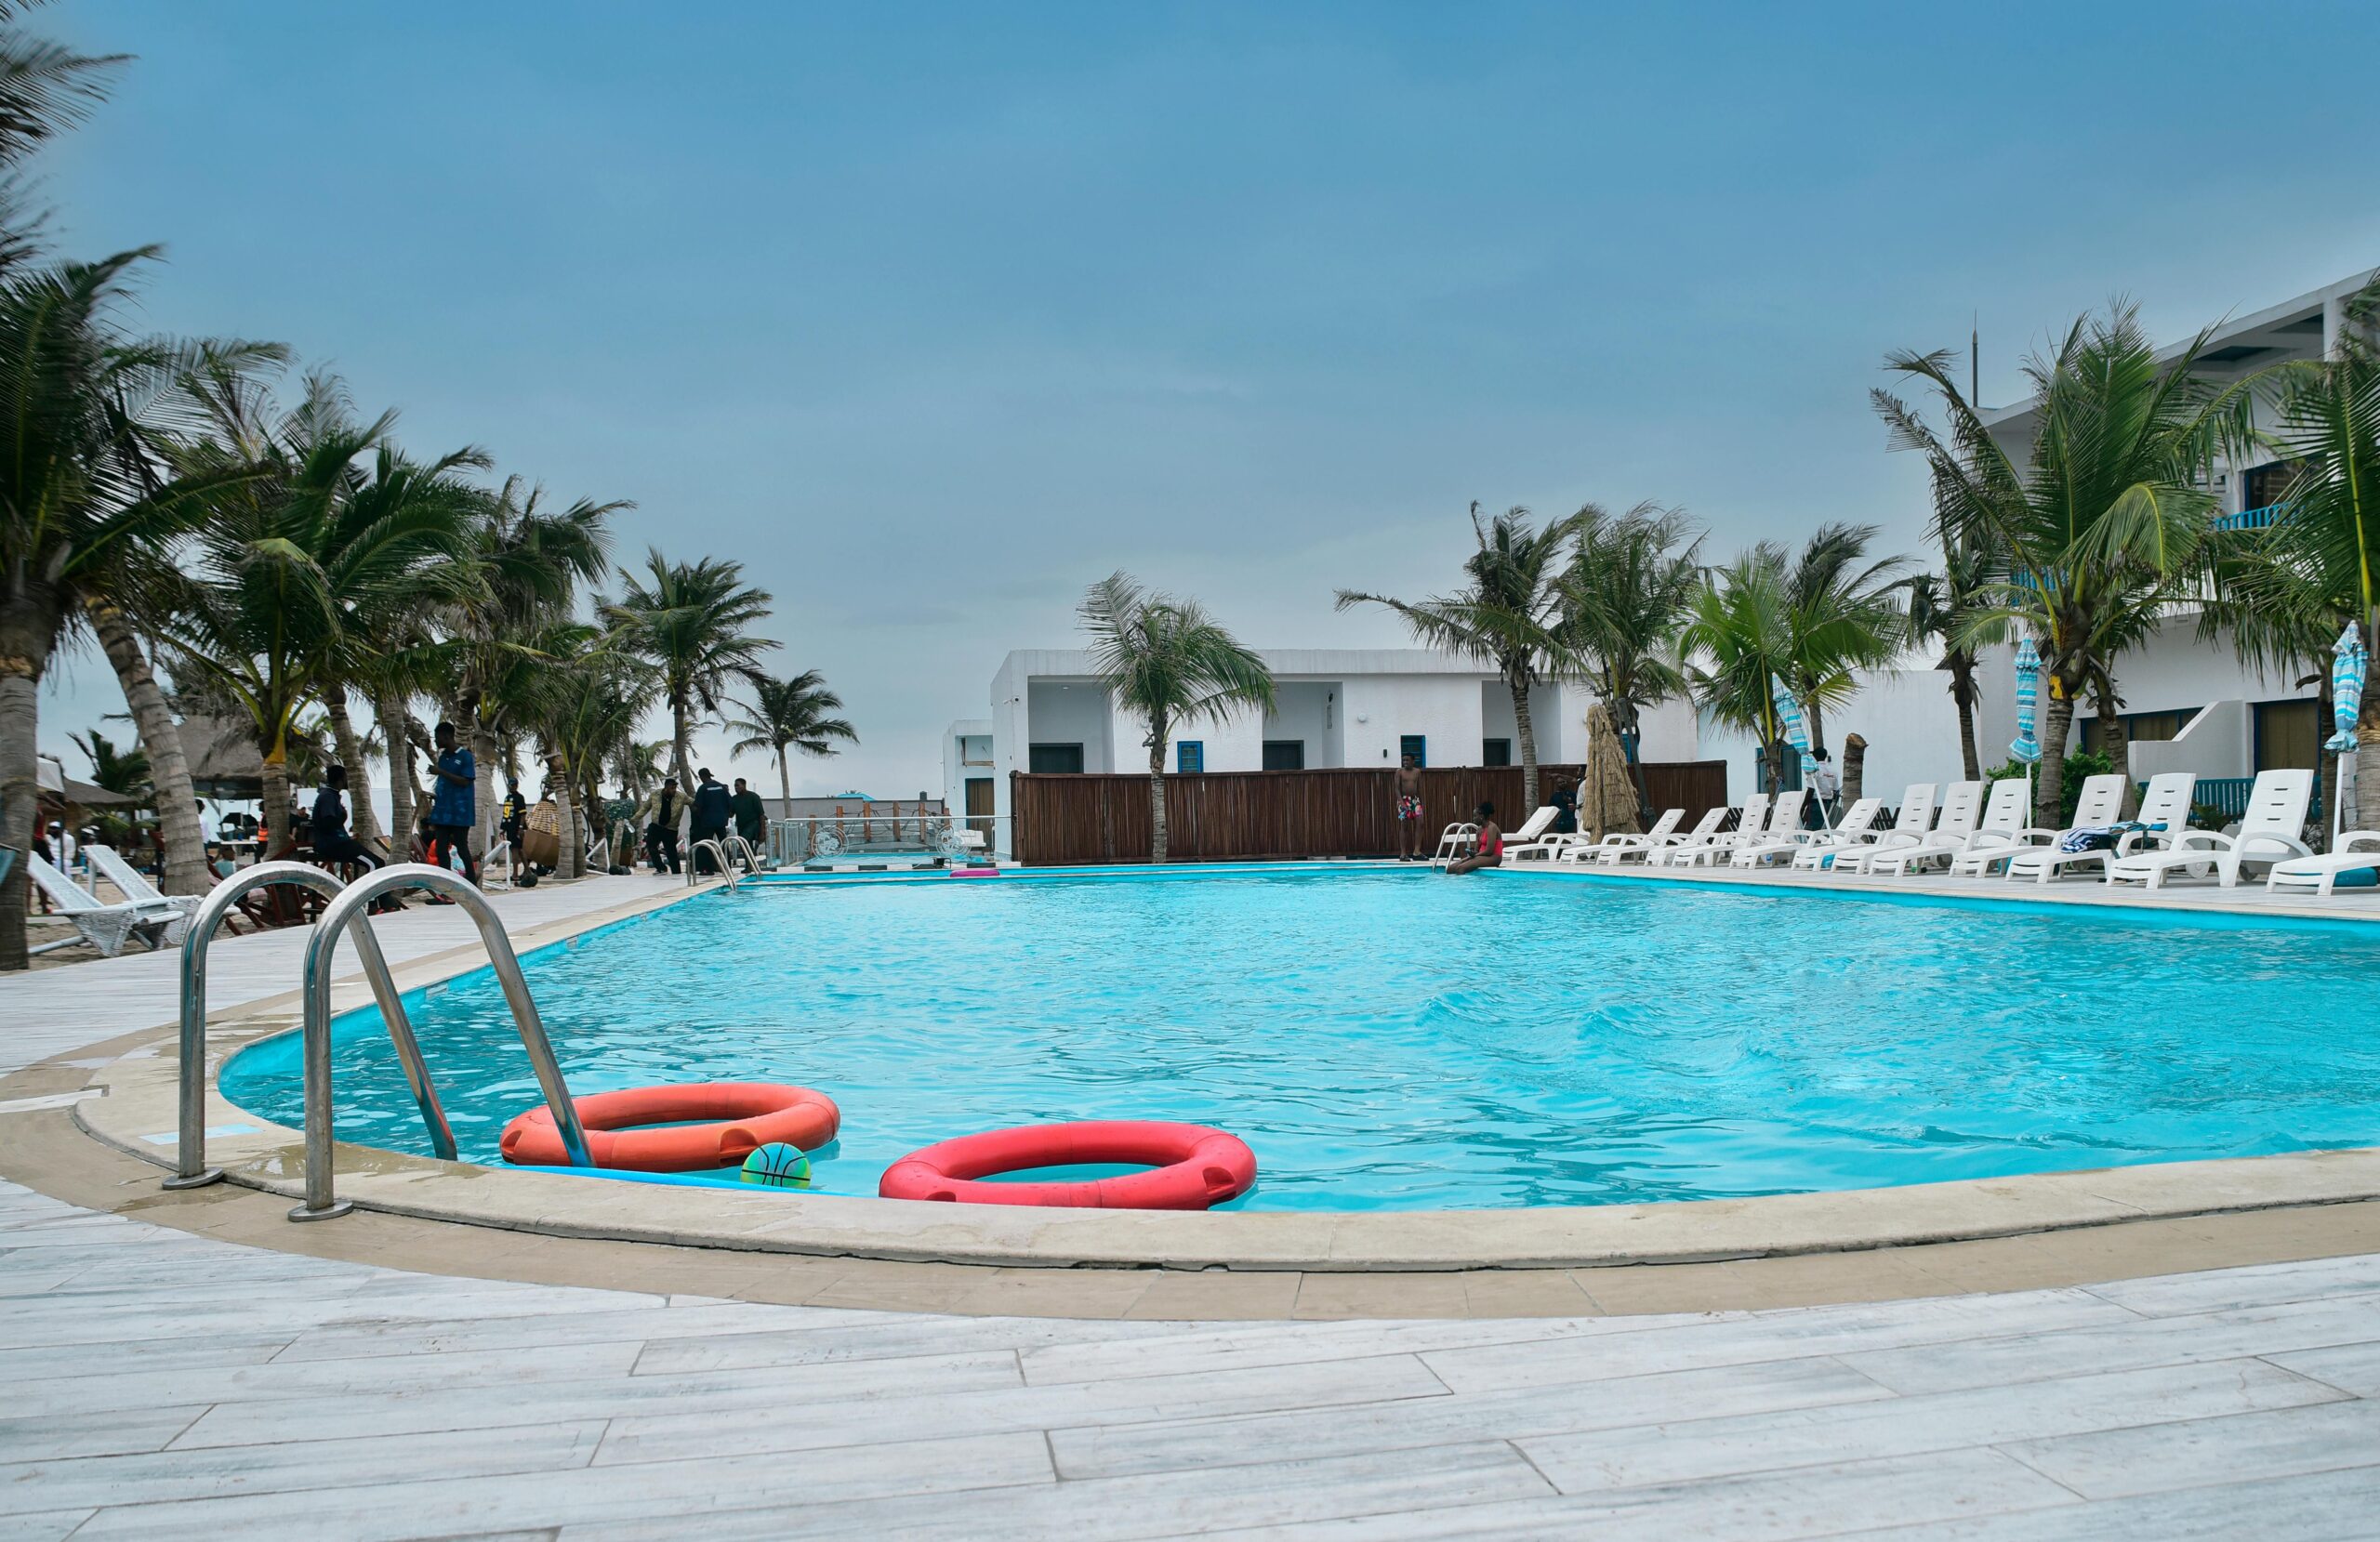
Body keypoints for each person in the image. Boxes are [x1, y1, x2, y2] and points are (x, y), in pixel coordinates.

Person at [426, 721, 479, 883]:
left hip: (460, 812)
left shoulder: (465, 757)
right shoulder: (443, 758)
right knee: (441, 848)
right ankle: (447, 885)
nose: (435, 741)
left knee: (461, 847)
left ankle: (472, 882)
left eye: (437, 738)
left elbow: (465, 781)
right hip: (443, 812)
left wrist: (440, 771)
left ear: (447, 736)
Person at [311, 766, 384, 875]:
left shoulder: (331, 795)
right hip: (333, 845)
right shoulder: (328, 797)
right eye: (346, 777)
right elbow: (328, 823)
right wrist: (343, 817)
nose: (348, 780)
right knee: (375, 864)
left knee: (379, 863)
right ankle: (371, 891)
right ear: (341, 779)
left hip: (338, 843)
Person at [689, 768, 732, 873]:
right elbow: (730, 803)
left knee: (707, 845)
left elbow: (698, 806)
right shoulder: (721, 787)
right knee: (724, 843)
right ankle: (727, 867)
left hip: (707, 822)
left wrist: (697, 817)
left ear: (702, 776)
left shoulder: (703, 788)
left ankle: (707, 869)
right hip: (721, 821)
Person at [1446, 801, 1504, 875]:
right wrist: (1472, 854)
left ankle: (1463, 886)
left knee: (1461, 868)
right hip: (1481, 856)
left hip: (1494, 857)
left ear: (1481, 816)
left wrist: (1475, 855)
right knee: (1450, 869)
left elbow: (1489, 851)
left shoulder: (1491, 828)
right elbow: (1477, 850)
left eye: (1475, 816)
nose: (1473, 819)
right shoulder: (1479, 829)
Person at [640, 776, 682, 874]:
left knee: (671, 851)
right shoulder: (656, 795)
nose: (674, 790)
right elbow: (645, 808)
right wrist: (635, 818)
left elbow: (691, 802)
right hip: (656, 826)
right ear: (666, 787)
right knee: (651, 846)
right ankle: (661, 867)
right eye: (672, 788)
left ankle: (676, 871)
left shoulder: (679, 797)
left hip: (670, 828)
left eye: (675, 788)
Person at [1393, 752, 1426, 861]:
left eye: (1407, 760)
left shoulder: (1417, 772)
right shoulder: (1399, 772)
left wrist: (1422, 802)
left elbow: (1420, 788)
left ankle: (1417, 851)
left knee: (1420, 823)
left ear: (1413, 761)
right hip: (1404, 800)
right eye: (1404, 760)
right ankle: (1403, 853)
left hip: (1415, 800)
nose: (1405, 762)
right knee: (1404, 825)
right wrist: (1401, 802)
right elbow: (1397, 788)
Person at [730, 776, 767, 850]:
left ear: (744, 785)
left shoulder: (754, 797)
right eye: (735, 786)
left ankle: (752, 855)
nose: (736, 788)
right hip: (741, 826)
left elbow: (761, 815)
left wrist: (763, 832)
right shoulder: (734, 799)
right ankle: (750, 860)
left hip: (753, 824)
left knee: (742, 841)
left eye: (738, 785)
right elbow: (731, 814)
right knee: (745, 848)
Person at [1811, 749, 1841, 826]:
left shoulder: (1815, 770)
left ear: (1814, 757)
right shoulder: (1833, 771)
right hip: (1829, 803)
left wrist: (1803, 806)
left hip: (1817, 803)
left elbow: (1810, 789)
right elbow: (1836, 791)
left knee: (1817, 828)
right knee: (1827, 827)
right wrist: (1833, 806)